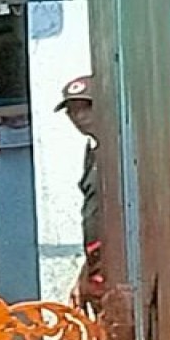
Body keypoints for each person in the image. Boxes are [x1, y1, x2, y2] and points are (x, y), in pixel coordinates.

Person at [57, 75, 103, 314]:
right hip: (97, 266)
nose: (79, 117)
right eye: (72, 111)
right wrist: (83, 274)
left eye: (87, 107)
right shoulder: (92, 150)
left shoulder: (122, 150)